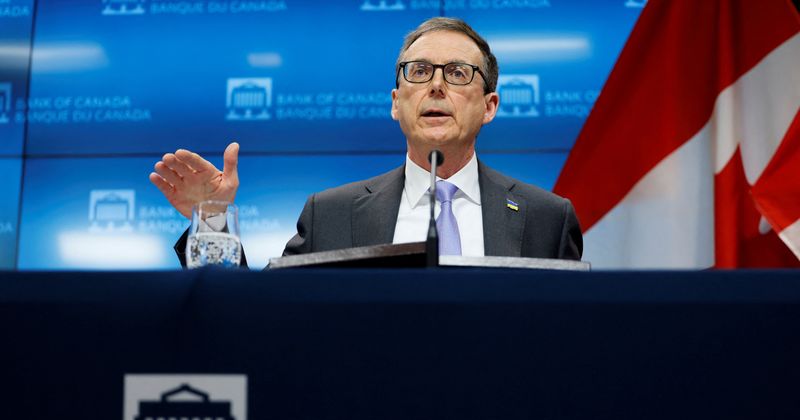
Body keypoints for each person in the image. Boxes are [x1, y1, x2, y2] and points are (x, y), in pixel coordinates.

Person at [149, 17, 582, 265]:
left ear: (489, 106)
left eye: (456, 73)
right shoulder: (331, 215)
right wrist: (212, 221)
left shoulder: (547, 218)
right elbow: (259, 318)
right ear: (397, 102)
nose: (435, 86)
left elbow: (574, 338)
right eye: (419, 71)